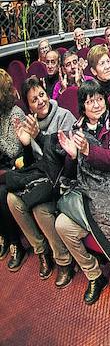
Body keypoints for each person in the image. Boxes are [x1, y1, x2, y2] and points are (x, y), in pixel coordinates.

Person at [54, 80, 110, 305]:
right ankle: (94, 275)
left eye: (100, 99)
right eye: (90, 102)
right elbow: (71, 175)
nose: (97, 105)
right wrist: (72, 156)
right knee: (62, 225)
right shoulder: (77, 129)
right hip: (87, 193)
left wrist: (89, 150)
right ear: (83, 107)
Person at [7, 77, 76, 280]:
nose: (40, 101)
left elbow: (65, 161)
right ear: (29, 106)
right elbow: (32, 164)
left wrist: (39, 137)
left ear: (47, 94)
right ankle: (42, 250)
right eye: (34, 100)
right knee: (11, 199)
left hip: (62, 179)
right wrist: (26, 144)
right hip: (41, 179)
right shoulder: (31, 123)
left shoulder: (64, 116)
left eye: (41, 95)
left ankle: (64, 260)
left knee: (39, 208)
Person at [0, 69, 26, 265]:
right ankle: (4, 234)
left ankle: (16, 243)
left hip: (17, 166)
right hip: (3, 165)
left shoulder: (15, 113)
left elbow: (14, 150)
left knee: (1, 194)